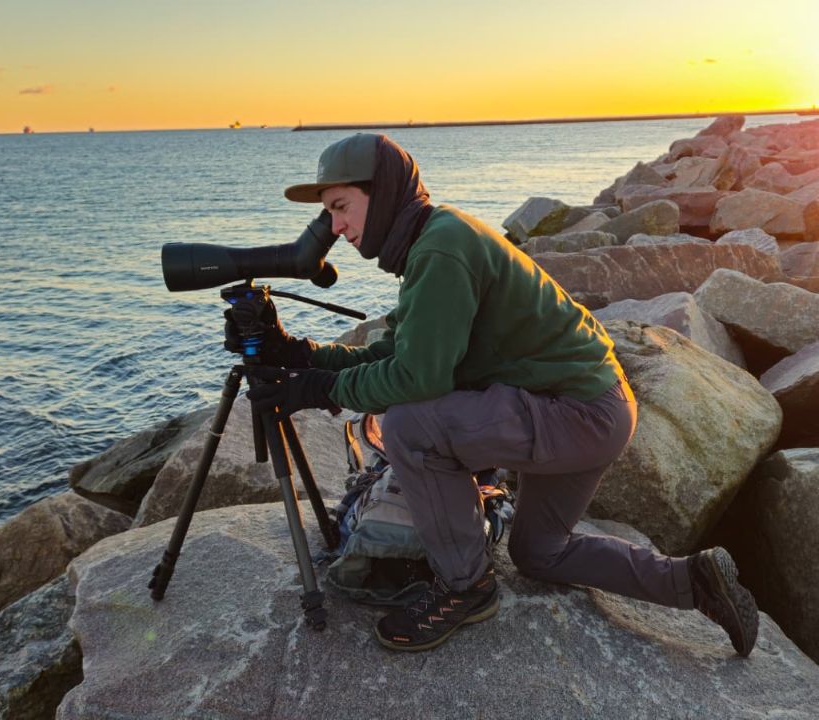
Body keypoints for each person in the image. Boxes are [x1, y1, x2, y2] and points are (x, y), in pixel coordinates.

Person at [236, 133, 759, 655]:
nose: (335, 227)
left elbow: (419, 379)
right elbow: (392, 354)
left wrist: (321, 390)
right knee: (539, 554)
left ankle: (464, 587)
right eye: (329, 214)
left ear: (386, 190)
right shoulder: (436, 237)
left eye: (341, 207)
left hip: (576, 412)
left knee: (410, 427)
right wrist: (303, 356)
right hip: (596, 405)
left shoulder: (440, 248)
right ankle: (694, 580)